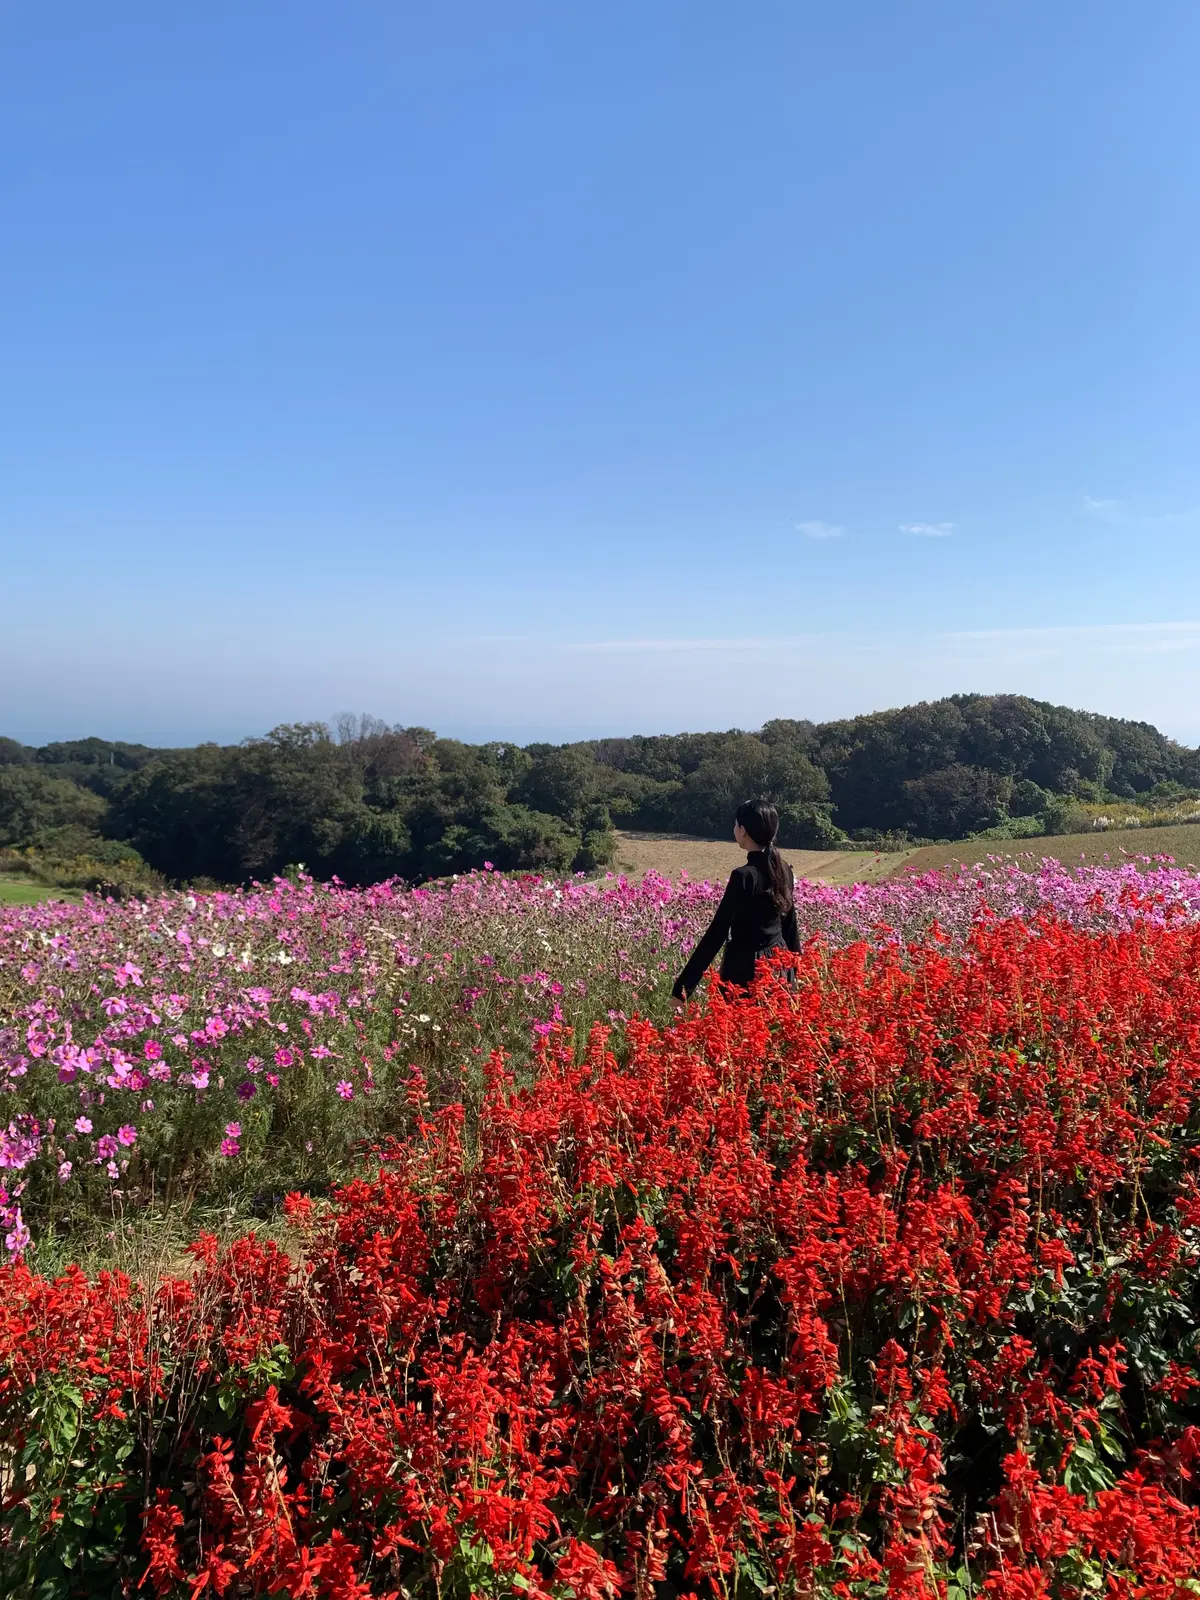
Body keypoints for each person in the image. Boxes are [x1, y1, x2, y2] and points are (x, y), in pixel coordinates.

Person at [672, 799, 801, 1003]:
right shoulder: (784, 869)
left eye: (735, 824)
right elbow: (790, 925)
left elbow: (717, 934)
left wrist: (682, 989)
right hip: (779, 967)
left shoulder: (743, 876)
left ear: (743, 831)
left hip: (746, 971)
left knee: (744, 1031)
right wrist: (796, 972)